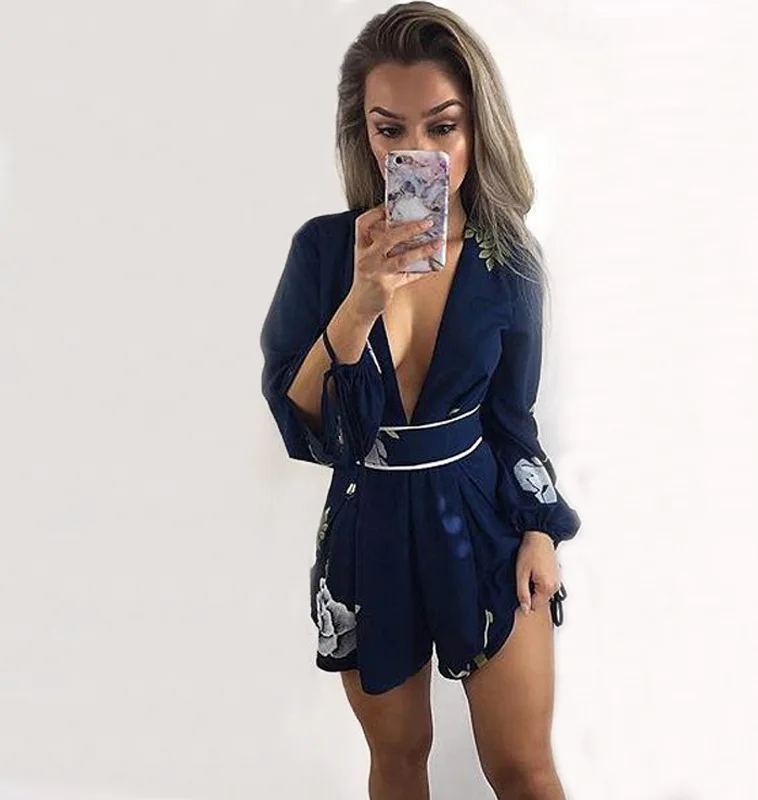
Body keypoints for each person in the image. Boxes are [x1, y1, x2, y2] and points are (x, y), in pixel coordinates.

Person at [259, 3, 581, 798]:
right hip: (368, 524)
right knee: (399, 760)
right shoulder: (323, 253)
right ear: (364, 135)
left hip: (482, 516)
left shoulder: (509, 261)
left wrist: (540, 531)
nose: (418, 152)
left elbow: (513, 420)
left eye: (443, 126)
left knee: (524, 769)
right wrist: (361, 301)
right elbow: (301, 424)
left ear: (477, 127)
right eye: (390, 130)